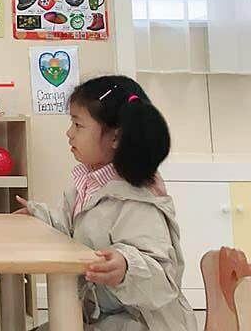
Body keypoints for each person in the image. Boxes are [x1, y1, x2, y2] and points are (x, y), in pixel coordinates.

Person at [15, 75, 197, 331]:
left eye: (77, 125)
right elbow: (71, 232)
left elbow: (163, 279)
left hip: (139, 323)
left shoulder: (138, 199)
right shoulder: (85, 183)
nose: (69, 134)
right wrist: (40, 219)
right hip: (97, 317)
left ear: (115, 138)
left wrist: (125, 266)